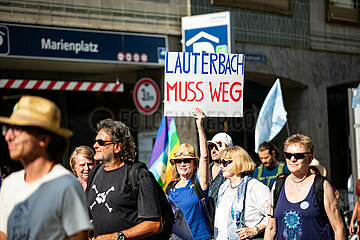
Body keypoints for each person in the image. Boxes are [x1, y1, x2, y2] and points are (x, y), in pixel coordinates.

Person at [0, 96, 91, 240]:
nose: (9, 137)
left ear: (43, 139)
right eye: (9, 129)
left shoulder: (66, 185)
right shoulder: (9, 184)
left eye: (18, 129)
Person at [86, 118, 162, 240]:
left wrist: (116, 237)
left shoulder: (139, 175)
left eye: (101, 142)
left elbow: (155, 225)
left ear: (117, 147)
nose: (95, 146)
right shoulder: (94, 174)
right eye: (95, 141)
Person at [265, 134, 345, 240]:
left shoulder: (321, 185)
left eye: (298, 156)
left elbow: (338, 228)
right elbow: (271, 228)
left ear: (310, 158)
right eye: (288, 155)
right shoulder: (278, 186)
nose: (292, 159)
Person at [167, 108, 211, 240]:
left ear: (194, 164)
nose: (182, 164)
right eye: (178, 161)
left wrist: (199, 126)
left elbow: (204, 156)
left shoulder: (199, 183)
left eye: (186, 160)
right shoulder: (169, 188)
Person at [214, 146, 270, 239]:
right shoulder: (224, 187)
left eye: (225, 162)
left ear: (238, 162)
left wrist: (255, 229)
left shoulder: (255, 187)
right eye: (220, 162)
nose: (221, 165)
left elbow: (272, 216)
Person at [207, 132, 233, 234]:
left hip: (224, 228)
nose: (213, 150)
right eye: (211, 147)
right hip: (207, 228)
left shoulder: (232, 171)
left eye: (218, 146)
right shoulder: (205, 170)